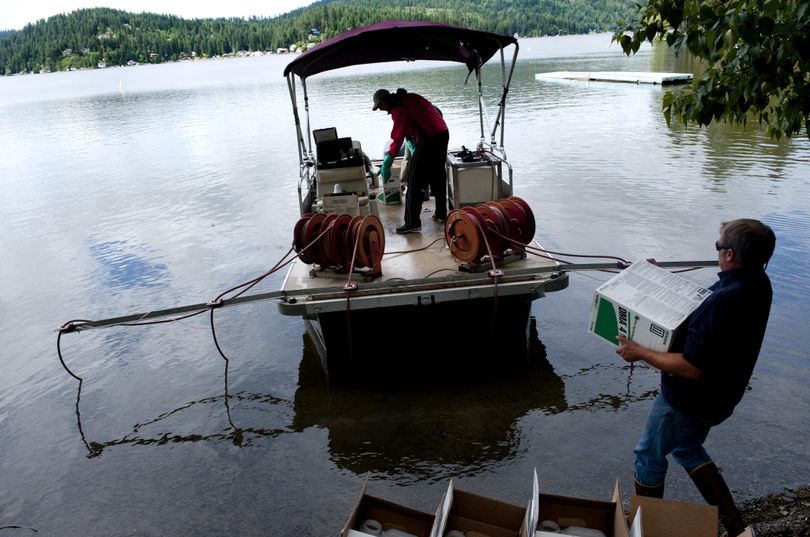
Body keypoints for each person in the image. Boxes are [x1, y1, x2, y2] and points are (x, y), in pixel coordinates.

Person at [616, 219, 775, 537]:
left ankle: (645, 528)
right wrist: (656, 279)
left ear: (729, 254)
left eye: (718, 246)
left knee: (648, 454)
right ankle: (735, 526)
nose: (716, 251)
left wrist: (640, 352)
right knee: (687, 447)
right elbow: (699, 302)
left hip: (688, 398)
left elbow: (691, 366)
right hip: (721, 395)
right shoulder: (757, 283)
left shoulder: (725, 300)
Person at [372, 88, 449, 234]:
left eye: (379, 106)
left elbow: (397, 137)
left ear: (384, 101)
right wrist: (413, 143)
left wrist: (388, 161)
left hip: (429, 138)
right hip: (442, 133)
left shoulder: (398, 109)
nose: (381, 110)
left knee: (414, 182)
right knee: (437, 174)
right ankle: (441, 213)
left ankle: (412, 223)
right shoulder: (409, 99)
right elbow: (428, 114)